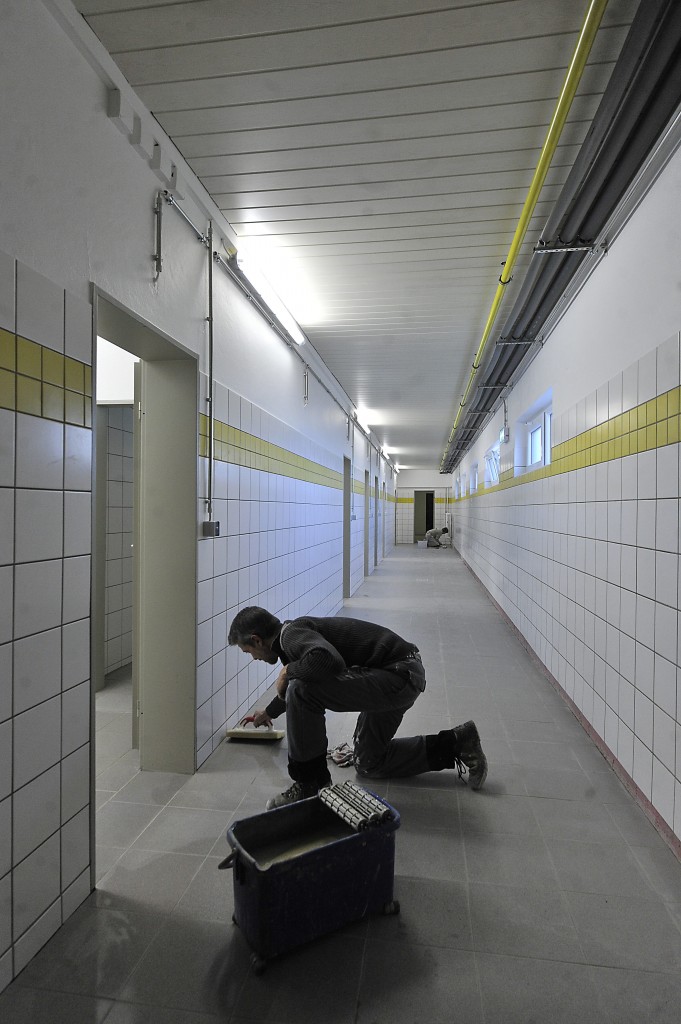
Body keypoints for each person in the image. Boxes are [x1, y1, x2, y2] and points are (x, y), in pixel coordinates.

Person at [227, 606, 487, 809]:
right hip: (396, 675)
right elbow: (310, 672)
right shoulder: (294, 638)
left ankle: (309, 782)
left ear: (257, 640)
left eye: (248, 651)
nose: (254, 658)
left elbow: (328, 662)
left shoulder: (291, 635)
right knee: (369, 762)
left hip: (396, 675)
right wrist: (268, 713)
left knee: (300, 688)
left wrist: (288, 671)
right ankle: (458, 742)